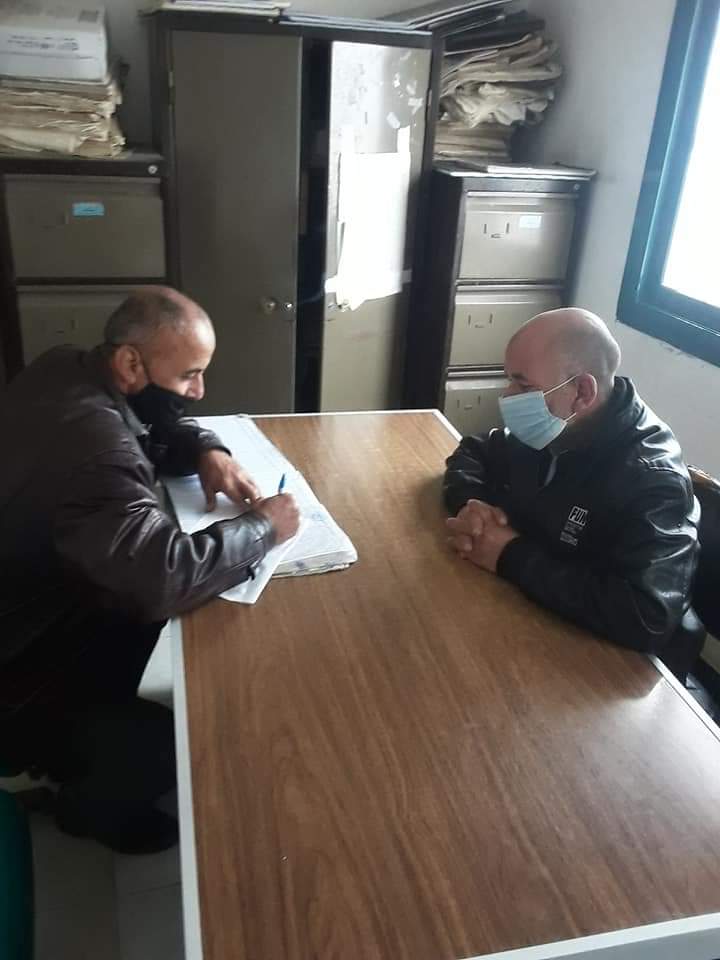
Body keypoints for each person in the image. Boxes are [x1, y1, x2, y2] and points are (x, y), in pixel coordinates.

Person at [0, 288, 299, 854]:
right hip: (21, 669)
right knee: (169, 746)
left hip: (38, 599)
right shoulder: (96, 452)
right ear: (131, 363)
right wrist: (263, 528)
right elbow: (160, 578)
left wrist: (208, 449)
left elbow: (146, 426)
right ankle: (79, 807)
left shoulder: (69, 368)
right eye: (189, 376)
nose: (199, 391)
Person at [444, 308, 704, 681]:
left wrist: (509, 554)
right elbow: (474, 451)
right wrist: (473, 506)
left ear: (581, 392)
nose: (508, 396)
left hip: (606, 674)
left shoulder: (652, 479)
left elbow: (646, 616)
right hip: (527, 621)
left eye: (524, 386)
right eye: (509, 380)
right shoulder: (554, 426)